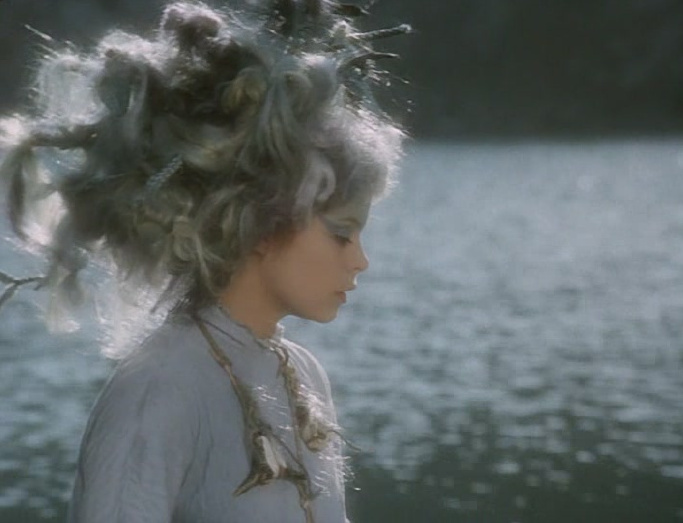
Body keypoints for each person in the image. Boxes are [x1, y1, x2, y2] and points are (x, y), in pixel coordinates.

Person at [0, 1, 408, 521]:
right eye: (342, 234)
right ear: (265, 221)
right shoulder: (157, 390)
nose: (360, 261)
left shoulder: (304, 375)